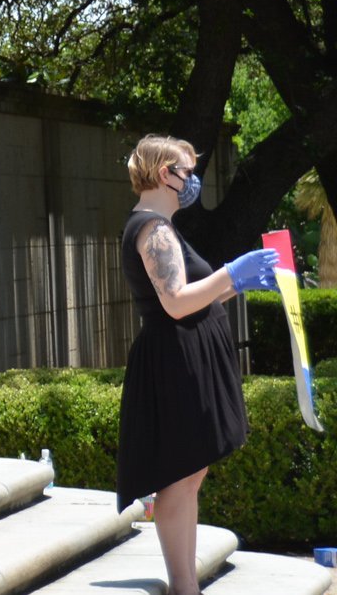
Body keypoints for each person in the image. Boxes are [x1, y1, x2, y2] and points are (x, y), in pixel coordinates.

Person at [116, 135, 276, 595]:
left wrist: (234, 283)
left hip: (183, 354)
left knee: (190, 473)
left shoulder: (161, 225)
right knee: (181, 475)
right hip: (175, 359)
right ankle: (184, 586)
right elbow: (176, 303)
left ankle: (185, 584)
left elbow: (194, 294)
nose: (193, 181)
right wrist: (232, 273)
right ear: (164, 173)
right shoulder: (154, 229)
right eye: (186, 171)